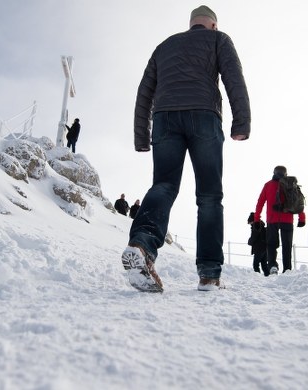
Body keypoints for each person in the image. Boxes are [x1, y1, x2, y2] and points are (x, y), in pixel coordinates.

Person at [121, 5, 251, 293]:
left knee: (164, 184)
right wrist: (241, 122)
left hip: (165, 118)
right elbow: (233, 78)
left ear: (191, 24)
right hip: (204, 116)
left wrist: (142, 136)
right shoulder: (219, 40)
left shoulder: (164, 46)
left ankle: (141, 245)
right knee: (209, 195)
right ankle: (208, 274)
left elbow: (144, 92)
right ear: (213, 25)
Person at [254, 166, 305, 275]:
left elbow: (260, 202)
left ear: (274, 173)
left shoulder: (268, 185)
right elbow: (298, 201)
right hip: (287, 219)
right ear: (286, 173)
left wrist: (257, 219)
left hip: (272, 220)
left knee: (271, 244)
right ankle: (287, 269)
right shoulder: (291, 184)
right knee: (287, 245)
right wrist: (302, 217)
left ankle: (272, 266)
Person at [247, 212, 269, 276]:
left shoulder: (256, 226)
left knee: (255, 265)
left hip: (258, 248)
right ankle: (268, 277)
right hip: (265, 247)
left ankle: (258, 278)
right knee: (264, 264)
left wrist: (250, 242)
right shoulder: (261, 225)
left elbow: (254, 236)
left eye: (250, 222)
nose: (250, 224)